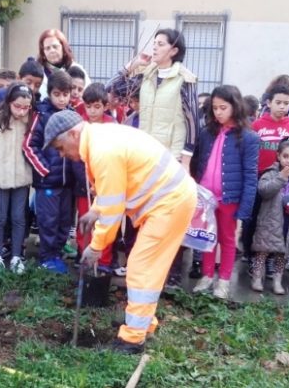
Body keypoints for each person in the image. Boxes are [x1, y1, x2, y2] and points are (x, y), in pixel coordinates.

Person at [46, 110, 197, 354]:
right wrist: (95, 210)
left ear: (73, 134)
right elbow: (112, 190)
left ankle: (133, 339)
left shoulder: (102, 150)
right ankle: (142, 323)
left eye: (61, 147)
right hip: (169, 200)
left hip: (170, 203)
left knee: (142, 268)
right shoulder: (98, 140)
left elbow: (113, 212)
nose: (63, 155)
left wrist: (96, 247)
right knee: (145, 268)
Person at [106, 28, 198, 288]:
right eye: (154, 43)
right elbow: (110, 90)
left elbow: (192, 122)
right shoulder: (145, 75)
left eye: (160, 44)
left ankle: (171, 273)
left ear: (174, 50)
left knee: (169, 215)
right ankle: (137, 266)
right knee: (138, 213)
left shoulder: (185, 79)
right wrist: (132, 65)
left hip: (171, 158)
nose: (155, 48)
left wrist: (186, 161)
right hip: (144, 158)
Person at [191, 85, 258, 299]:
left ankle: (224, 280)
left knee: (227, 239)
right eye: (215, 108)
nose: (218, 112)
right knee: (207, 237)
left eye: (223, 107)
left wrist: (245, 208)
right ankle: (207, 276)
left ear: (235, 107)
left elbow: (250, 175)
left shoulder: (248, 137)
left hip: (229, 198)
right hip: (205, 197)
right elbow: (197, 161)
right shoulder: (206, 132)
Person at [246, 84, 289, 272]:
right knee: (254, 220)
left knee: (277, 223)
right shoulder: (257, 125)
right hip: (259, 180)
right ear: (268, 103)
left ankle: (272, 261)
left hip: (283, 182)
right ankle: (252, 259)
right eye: (278, 102)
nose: (282, 107)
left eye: (286, 103)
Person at [22, 70, 75, 273]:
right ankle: (46, 258)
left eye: (66, 94)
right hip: (47, 183)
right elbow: (29, 145)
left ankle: (57, 254)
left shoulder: (73, 115)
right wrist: (44, 170)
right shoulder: (41, 115)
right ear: (49, 93)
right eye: (57, 94)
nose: (62, 99)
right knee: (48, 221)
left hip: (68, 183)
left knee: (64, 222)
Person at [0, 83, 34, 275]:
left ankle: (16, 256)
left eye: (25, 107)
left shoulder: (30, 122)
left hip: (21, 177)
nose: (21, 111)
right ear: (9, 102)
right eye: (17, 106)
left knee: (19, 217)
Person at [251, 139, 289, 295]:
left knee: (281, 255)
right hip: (270, 221)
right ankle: (257, 278)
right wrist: (281, 177)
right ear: (278, 156)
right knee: (262, 251)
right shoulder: (269, 173)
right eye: (285, 156)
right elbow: (264, 191)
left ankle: (277, 281)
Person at [72, 83, 117, 273]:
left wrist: (99, 183)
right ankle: (84, 257)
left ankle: (104, 260)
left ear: (105, 106)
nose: (92, 111)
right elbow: (75, 157)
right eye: (88, 106)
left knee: (104, 222)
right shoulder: (80, 125)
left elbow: (115, 155)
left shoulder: (112, 125)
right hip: (83, 185)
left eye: (97, 106)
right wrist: (86, 182)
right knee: (85, 222)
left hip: (106, 185)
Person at [36, 29, 90, 100]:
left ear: (63, 48)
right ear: (43, 52)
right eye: (47, 48)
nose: (52, 51)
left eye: (55, 47)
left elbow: (89, 97)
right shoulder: (38, 73)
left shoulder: (78, 70)